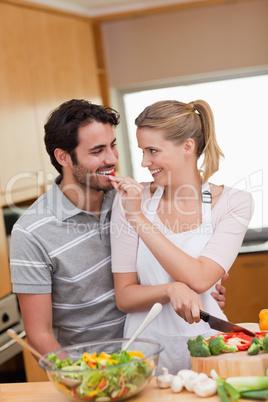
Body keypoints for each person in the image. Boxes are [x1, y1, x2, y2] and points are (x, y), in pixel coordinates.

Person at [9, 99, 227, 357]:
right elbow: (40, 334)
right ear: (63, 157)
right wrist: (80, 377)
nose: (112, 158)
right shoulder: (31, 233)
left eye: (112, 145)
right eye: (97, 151)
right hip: (91, 368)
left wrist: (203, 295)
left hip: (151, 356)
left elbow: (178, 259)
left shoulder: (132, 199)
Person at [109, 99, 254, 374]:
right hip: (144, 355)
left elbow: (200, 278)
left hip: (210, 350)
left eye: (153, 151)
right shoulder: (129, 199)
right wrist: (169, 289)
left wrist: (138, 218)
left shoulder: (235, 203)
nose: (144, 162)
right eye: (142, 151)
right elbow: (125, 297)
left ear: (188, 146)